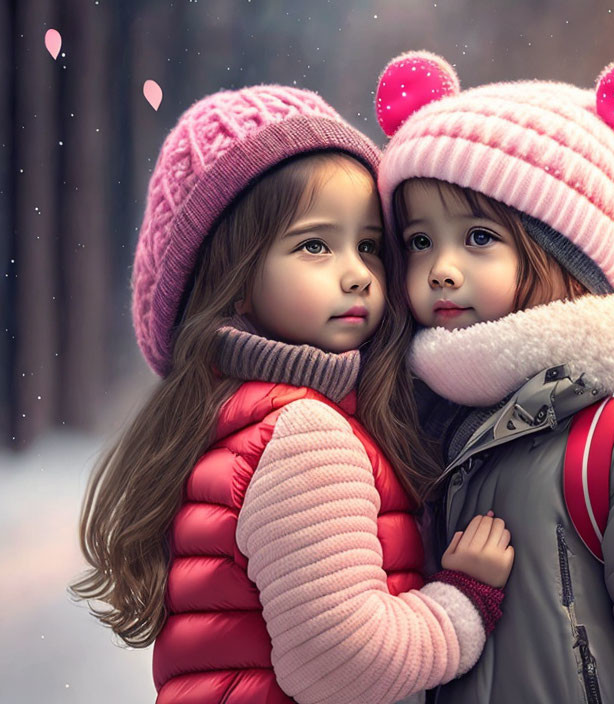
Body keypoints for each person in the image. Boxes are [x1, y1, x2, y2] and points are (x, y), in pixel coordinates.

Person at [71, 84, 513, 704]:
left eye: (367, 245)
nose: (359, 271)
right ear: (235, 281)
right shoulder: (306, 435)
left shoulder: (234, 419)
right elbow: (341, 667)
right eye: (314, 245)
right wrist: (466, 599)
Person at [376, 51, 614, 703]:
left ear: (571, 259)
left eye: (479, 237)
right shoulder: (423, 422)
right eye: (420, 241)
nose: (442, 268)